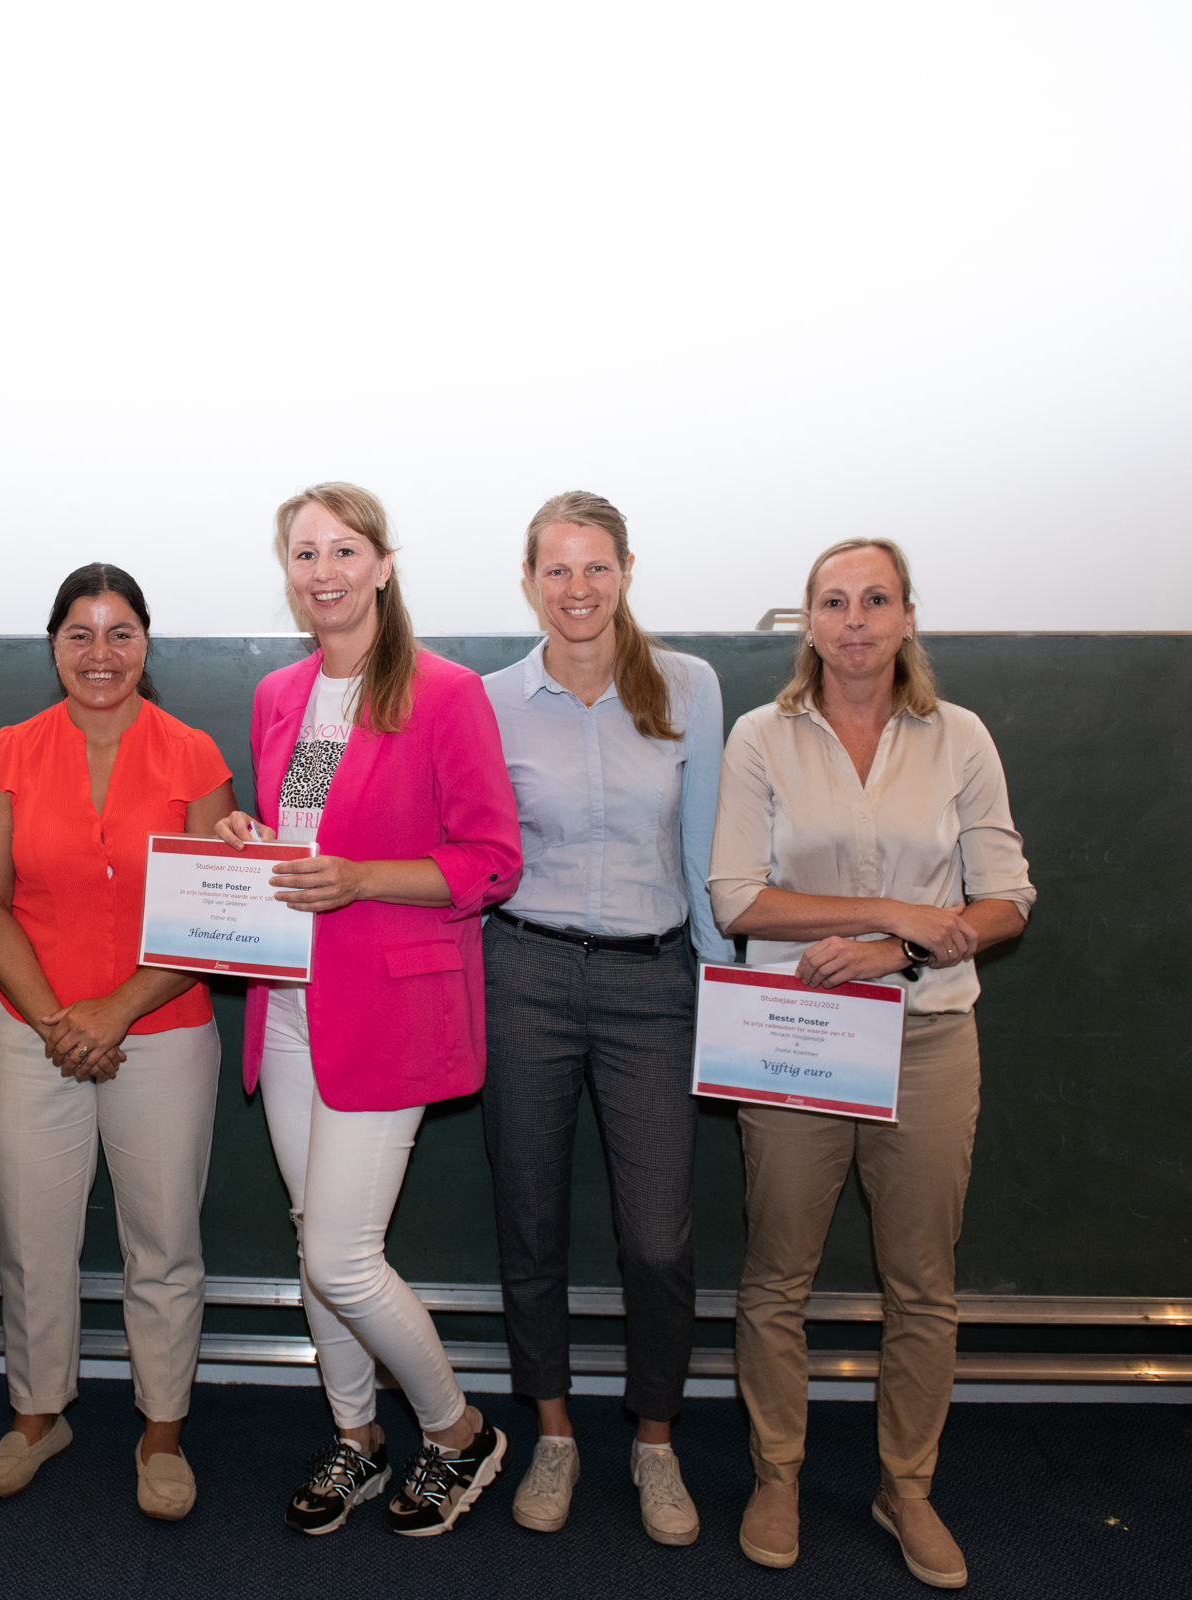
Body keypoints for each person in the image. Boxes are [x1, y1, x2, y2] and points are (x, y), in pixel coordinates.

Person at [707, 537, 1034, 1590]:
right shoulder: (762, 736)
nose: (855, 619)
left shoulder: (960, 736)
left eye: (875, 600)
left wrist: (895, 949)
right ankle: (778, 1472)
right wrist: (893, 907)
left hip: (927, 1030)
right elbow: (737, 898)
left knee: (923, 1286)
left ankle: (907, 1489)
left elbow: (1005, 898)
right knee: (775, 1278)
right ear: (806, 621)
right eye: (834, 601)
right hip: (797, 1035)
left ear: (905, 617)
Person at [215, 483, 523, 1537]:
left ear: (383, 565)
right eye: (304, 554)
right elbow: (306, 836)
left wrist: (361, 878)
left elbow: (488, 863)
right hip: (289, 1003)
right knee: (315, 1238)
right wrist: (261, 843)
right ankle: (357, 1438)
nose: (324, 573)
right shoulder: (281, 696)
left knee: (342, 1254)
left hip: (388, 1009)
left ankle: (458, 1432)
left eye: (343, 551)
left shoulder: (443, 693)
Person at [0, 563, 237, 1521]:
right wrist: (57, 1022)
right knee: (34, 1240)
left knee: (162, 1243)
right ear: (54, 647)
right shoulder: (8, 751)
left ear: (146, 644)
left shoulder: (195, 755)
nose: (100, 654)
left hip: (161, 1031)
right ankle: (40, 1416)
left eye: (120, 634)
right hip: (33, 1032)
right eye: (80, 634)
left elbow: (211, 915)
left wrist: (112, 1012)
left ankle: (161, 1430)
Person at [480, 491, 730, 1545]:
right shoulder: (490, 699)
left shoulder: (689, 685)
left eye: (596, 568)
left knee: (659, 1238)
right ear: (528, 580)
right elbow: (468, 847)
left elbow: (710, 840)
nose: (577, 590)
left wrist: (727, 982)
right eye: (556, 570)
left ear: (628, 569)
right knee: (531, 1223)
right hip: (524, 975)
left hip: (652, 986)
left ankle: (656, 1438)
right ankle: (553, 1432)